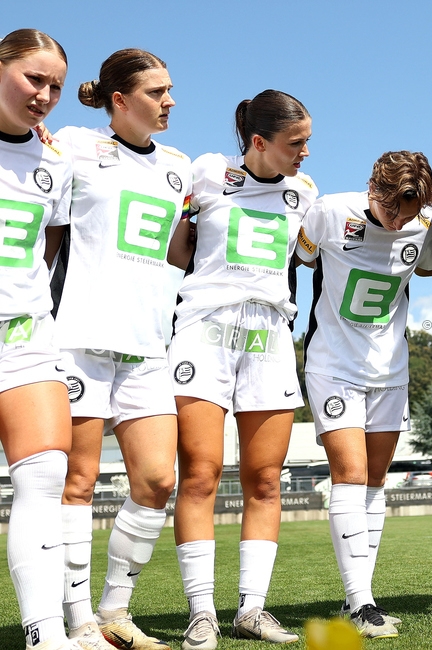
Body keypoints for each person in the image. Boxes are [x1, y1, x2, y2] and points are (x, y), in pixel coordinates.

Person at [52, 48, 191, 650]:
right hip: (80, 339)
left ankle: (115, 608)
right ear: (119, 101)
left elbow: (182, 253)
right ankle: (77, 617)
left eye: (169, 90)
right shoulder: (75, 147)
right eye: (157, 92)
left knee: (158, 479)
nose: (170, 101)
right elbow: (49, 238)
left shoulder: (181, 167)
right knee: (77, 480)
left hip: (149, 343)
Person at [166, 90, 316, 649]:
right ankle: (201, 612)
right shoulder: (206, 172)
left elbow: (312, 252)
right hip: (205, 329)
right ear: (259, 141)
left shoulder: (304, 193)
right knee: (201, 473)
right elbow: (178, 252)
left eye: (307, 141)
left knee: (265, 480)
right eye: (295, 143)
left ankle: (251, 609)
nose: (305, 153)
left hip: (270, 334)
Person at [296, 150, 432, 638]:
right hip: (333, 364)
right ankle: (362, 604)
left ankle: (358, 597)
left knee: (375, 483)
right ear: (372, 188)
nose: (398, 222)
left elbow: (428, 266)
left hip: (391, 369)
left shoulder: (425, 217)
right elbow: (297, 259)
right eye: (390, 212)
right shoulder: (328, 211)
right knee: (351, 473)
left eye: (407, 214)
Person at [0, 27, 80, 650]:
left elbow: (43, 255)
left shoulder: (53, 164)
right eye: (34, 78)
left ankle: (44, 634)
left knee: (46, 474)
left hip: (26, 331)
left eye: (54, 85)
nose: (45, 95)